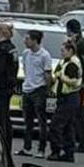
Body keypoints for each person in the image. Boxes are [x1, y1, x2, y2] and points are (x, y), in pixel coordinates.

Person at [17, 29, 53, 157]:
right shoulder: (26, 53)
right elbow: (26, 69)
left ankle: (41, 149)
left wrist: (47, 89)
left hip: (39, 90)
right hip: (27, 89)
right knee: (27, 121)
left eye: (27, 39)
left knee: (41, 120)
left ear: (34, 40)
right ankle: (26, 147)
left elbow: (48, 74)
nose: (25, 41)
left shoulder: (44, 55)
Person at [48, 40, 83, 162]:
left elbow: (74, 81)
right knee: (68, 126)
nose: (61, 53)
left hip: (69, 97)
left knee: (56, 125)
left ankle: (56, 150)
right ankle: (69, 152)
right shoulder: (65, 62)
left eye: (63, 51)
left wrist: (60, 77)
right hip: (66, 98)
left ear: (70, 51)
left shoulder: (72, 64)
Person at [66, 19, 84, 153]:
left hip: (80, 84)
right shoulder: (75, 43)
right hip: (74, 83)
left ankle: (82, 142)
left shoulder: (82, 45)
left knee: (78, 113)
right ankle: (77, 139)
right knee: (74, 113)